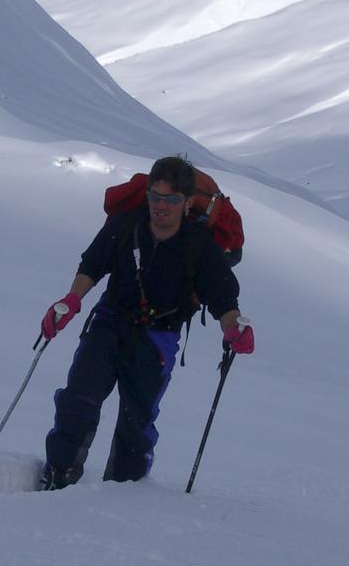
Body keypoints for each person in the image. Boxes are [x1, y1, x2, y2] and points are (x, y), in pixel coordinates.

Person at [38, 156, 254, 490]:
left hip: (157, 341)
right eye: (155, 196)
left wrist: (235, 327)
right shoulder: (126, 225)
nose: (160, 206)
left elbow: (224, 301)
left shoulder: (200, 246)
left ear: (187, 203)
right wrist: (72, 299)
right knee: (78, 400)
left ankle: (125, 493)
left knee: (135, 425)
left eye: (171, 199)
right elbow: (92, 264)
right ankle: (59, 472)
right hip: (109, 324)